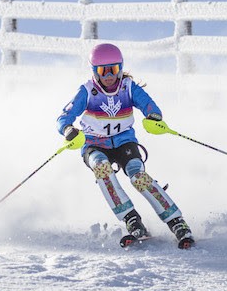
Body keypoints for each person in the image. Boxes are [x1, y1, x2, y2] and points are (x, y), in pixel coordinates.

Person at [56, 43, 195, 249]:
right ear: (95, 71)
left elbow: (149, 105)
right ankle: (131, 219)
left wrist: (153, 116)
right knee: (102, 169)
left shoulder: (129, 87)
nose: (109, 75)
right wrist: (68, 130)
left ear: (121, 68)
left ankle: (176, 222)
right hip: (95, 144)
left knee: (137, 175)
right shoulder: (87, 91)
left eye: (114, 69)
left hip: (124, 141)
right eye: (103, 70)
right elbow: (64, 116)